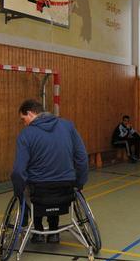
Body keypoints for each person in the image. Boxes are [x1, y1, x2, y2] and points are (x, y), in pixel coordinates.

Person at [11, 99, 89, 244]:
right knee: (53, 186)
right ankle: (54, 232)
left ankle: (38, 231)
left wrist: (18, 192)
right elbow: (82, 157)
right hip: (66, 189)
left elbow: (18, 171)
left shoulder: (26, 134)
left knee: (28, 189)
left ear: (30, 113)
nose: (24, 123)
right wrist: (79, 183)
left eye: (23, 119)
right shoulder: (67, 126)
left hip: (39, 191)